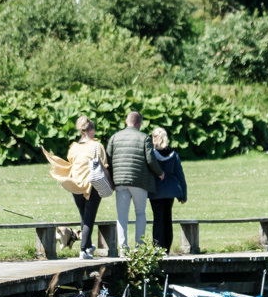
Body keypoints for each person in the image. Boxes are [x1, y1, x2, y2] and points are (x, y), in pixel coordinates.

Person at [45, 116, 112, 260]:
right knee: (89, 218)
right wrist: (111, 184)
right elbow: (105, 167)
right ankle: (83, 250)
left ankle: (88, 246)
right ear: (92, 130)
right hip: (92, 184)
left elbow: (71, 161)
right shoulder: (96, 145)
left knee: (84, 216)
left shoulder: (73, 147)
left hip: (76, 185)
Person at [106, 111, 163, 253]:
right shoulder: (144, 138)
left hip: (119, 181)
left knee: (122, 216)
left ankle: (123, 248)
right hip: (139, 181)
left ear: (127, 122)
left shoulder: (114, 137)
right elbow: (150, 159)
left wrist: (112, 179)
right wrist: (160, 173)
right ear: (139, 123)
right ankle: (139, 247)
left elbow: (107, 159)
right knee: (140, 213)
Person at [148, 127, 187, 253]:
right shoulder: (174, 154)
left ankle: (158, 247)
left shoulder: (151, 155)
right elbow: (180, 174)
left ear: (154, 138)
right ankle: (166, 248)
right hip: (171, 190)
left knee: (158, 218)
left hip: (156, 190)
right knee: (167, 218)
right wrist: (183, 195)